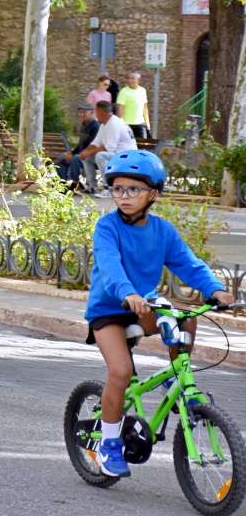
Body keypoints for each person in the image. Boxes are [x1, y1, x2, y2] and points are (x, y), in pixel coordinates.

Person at [83, 150, 234, 478]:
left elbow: (189, 264)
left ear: (153, 194)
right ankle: (109, 444)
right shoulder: (107, 227)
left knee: (186, 317)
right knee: (121, 373)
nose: (124, 196)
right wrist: (128, 294)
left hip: (145, 305)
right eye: (118, 189)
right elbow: (109, 267)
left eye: (133, 190)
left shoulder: (162, 231)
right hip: (109, 309)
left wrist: (216, 290)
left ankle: (179, 377)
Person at [79, 101, 137, 196]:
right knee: (87, 157)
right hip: (117, 154)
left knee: (100, 156)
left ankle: (110, 188)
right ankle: (92, 187)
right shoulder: (104, 125)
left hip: (127, 156)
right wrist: (85, 152)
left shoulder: (114, 123)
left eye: (96, 111)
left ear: (101, 112)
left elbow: (109, 148)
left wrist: (89, 152)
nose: (95, 114)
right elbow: (96, 143)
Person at [55, 103, 99, 192]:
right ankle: (63, 185)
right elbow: (80, 144)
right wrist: (71, 153)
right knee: (60, 159)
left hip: (91, 156)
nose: (82, 114)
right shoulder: (83, 125)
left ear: (92, 113)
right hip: (81, 154)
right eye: (80, 112)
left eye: (85, 112)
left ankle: (75, 184)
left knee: (75, 158)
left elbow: (92, 146)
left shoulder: (95, 126)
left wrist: (74, 155)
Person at [116, 71, 150, 140]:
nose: (130, 80)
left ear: (138, 80)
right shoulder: (123, 91)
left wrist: (147, 123)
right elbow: (120, 110)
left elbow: (145, 108)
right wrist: (121, 125)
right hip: (126, 125)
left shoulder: (143, 90)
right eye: (128, 78)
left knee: (141, 146)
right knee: (128, 147)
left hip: (140, 124)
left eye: (132, 78)